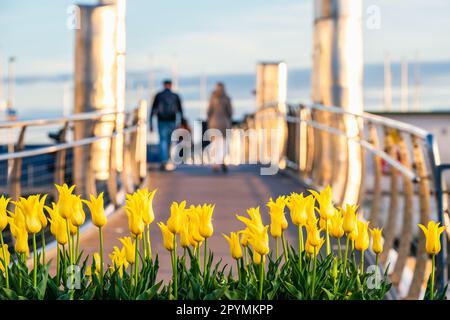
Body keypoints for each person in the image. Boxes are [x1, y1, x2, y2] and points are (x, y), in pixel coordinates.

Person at [150, 79, 184, 171]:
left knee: (162, 141)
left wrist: (151, 124)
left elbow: (153, 110)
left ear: (164, 85)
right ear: (171, 85)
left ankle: (164, 160)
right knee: (169, 141)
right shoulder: (175, 96)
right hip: (172, 121)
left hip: (161, 121)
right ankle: (168, 160)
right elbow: (180, 111)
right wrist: (181, 123)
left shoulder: (158, 95)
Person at [207, 82, 233, 172]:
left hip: (214, 123)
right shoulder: (227, 98)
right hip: (224, 123)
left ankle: (215, 163)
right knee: (223, 144)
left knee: (214, 144)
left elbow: (209, 111)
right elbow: (230, 112)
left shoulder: (212, 97)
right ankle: (221, 160)